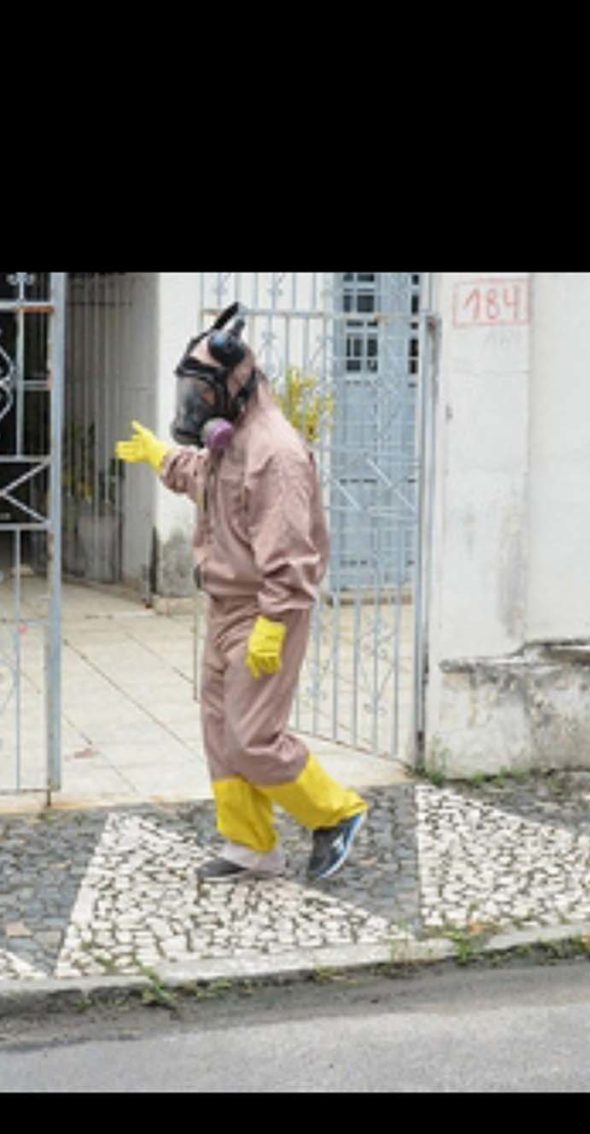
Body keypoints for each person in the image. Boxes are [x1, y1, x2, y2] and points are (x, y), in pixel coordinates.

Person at [114, 304, 368, 883]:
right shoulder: (229, 444)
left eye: (203, 393)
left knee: (253, 736)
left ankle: (337, 813)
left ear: (237, 385)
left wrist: (275, 624)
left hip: (263, 612)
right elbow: (204, 479)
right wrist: (160, 456)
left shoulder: (275, 454)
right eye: (191, 393)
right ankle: (251, 846)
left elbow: (292, 555)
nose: (195, 405)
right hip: (225, 608)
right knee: (220, 730)